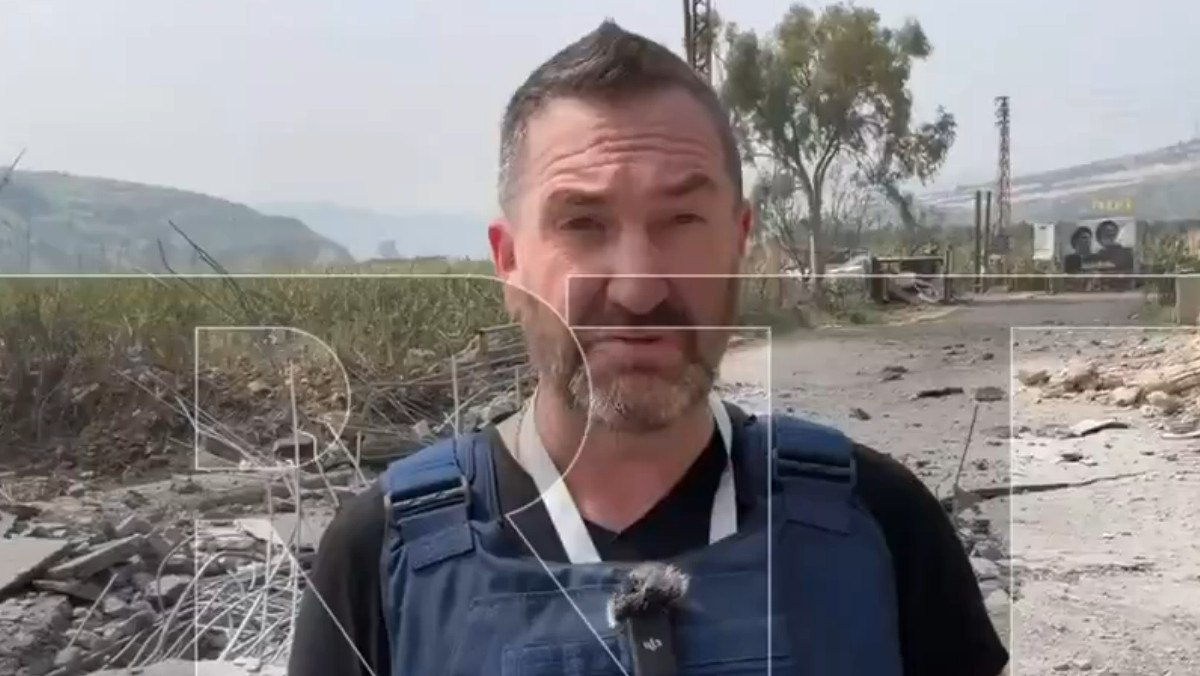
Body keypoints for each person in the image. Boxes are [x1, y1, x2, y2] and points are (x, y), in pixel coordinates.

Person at [288, 21, 1009, 676]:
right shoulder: (381, 562)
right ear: (508, 264)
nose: (637, 289)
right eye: (582, 223)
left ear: (738, 244)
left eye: (681, 220)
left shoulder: (881, 527)